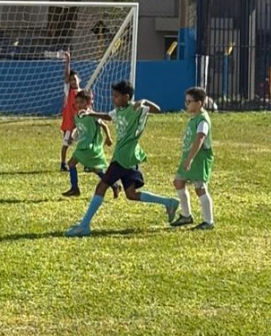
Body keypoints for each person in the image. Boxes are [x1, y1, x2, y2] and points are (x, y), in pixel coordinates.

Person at [66, 79, 179, 237]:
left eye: (117, 96)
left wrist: (144, 101)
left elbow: (158, 110)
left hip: (123, 157)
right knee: (131, 194)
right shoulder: (118, 110)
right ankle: (169, 203)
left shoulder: (136, 108)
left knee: (101, 187)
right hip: (129, 157)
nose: (114, 99)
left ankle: (84, 225)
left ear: (127, 97)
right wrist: (91, 113)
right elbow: (108, 116)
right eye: (113, 96)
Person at [170, 86, 215, 230]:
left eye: (189, 102)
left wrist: (189, 158)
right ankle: (186, 215)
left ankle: (208, 221)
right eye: (186, 101)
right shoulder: (194, 118)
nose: (186, 104)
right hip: (189, 156)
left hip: (198, 158)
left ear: (199, 103)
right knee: (178, 182)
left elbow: (200, 139)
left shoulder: (202, 120)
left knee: (200, 188)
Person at [62, 88, 119, 198]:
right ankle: (114, 185)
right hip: (82, 146)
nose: (78, 105)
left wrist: (108, 137)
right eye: (77, 102)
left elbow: (104, 125)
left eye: (82, 102)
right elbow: (76, 129)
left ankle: (75, 189)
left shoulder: (92, 115)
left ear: (88, 103)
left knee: (71, 164)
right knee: (95, 169)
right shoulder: (77, 116)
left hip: (90, 147)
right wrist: (72, 138)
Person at [60, 51, 80, 171]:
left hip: (80, 123)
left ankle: (88, 163)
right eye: (71, 80)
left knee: (85, 143)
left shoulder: (82, 92)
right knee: (66, 143)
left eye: (74, 79)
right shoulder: (69, 91)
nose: (72, 81)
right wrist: (68, 61)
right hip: (69, 124)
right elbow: (66, 76)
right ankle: (63, 163)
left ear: (79, 80)